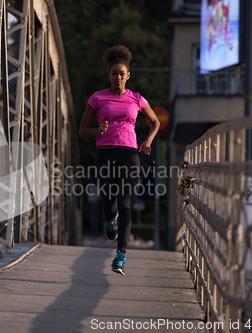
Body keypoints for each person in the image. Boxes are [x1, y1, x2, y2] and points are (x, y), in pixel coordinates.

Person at [79, 45, 160, 275]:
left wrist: (148, 141)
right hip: (105, 154)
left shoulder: (136, 98)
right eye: (114, 73)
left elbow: (155, 122)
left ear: (128, 76)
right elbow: (82, 129)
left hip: (129, 155)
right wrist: (97, 130)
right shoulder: (97, 98)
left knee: (125, 203)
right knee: (108, 202)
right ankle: (109, 221)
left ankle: (120, 257)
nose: (117, 77)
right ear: (109, 75)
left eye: (121, 74)